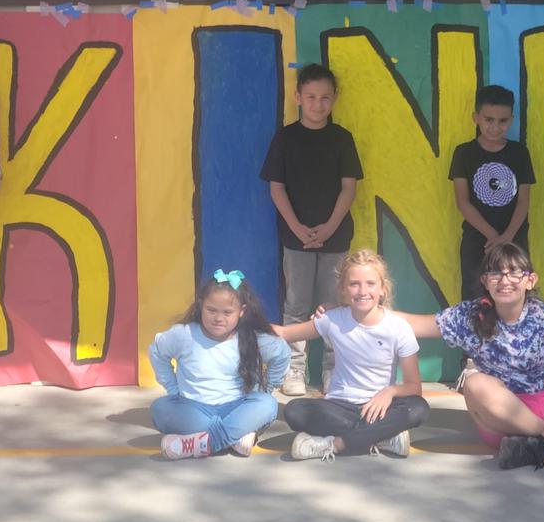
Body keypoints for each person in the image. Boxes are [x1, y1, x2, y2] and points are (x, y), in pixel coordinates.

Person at [402, 242, 544, 470]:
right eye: (496, 273)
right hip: (507, 417)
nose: (505, 280)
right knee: (474, 384)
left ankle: (542, 445)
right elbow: (414, 325)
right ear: (485, 281)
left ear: (530, 280)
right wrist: (369, 308)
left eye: (514, 272)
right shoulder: (469, 316)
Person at [259, 63, 363, 397]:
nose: (318, 104)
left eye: (325, 98)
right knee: (297, 304)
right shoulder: (285, 138)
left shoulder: (342, 139)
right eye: (311, 97)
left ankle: (333, 370)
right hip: (295, 238)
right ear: (298, 97)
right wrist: (298, 228)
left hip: (336, 238)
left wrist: (330, 227)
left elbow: (349, 187)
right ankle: (294, 370)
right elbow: (277, 188)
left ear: (335, 99)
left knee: (334, 305)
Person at [274, 249, 430, 460]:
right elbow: (286, 333)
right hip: (340, 406)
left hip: (380, 407)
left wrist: (390, 392)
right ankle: (382, 436)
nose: (362, 291)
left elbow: (414, 387)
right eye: (354, 284)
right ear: (343, 290)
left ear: (383, 289)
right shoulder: (332, 319)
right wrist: (242, 323)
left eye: (370, 284)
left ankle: (336, 443)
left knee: (418, 408)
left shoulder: (398, 328)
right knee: (294, 411)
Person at [147, 270, 290, 459]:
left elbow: (282, 352)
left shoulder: (250, 337)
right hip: (194, 409)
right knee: (160, 408)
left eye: (227, 312)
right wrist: (173, 389)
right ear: (200, 306)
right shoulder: (184, 335)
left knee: (267, 404)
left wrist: (267, 388)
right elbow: (157, 351)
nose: (218, 318)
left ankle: (201, 444)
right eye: (211, 310)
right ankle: (236, 436)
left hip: (237, 407)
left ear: (242, 312)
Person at [449, 84, 536, 305]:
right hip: (477, 242)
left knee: (515, 301)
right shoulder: (463, 153)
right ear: (476, 118)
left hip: (514, 242)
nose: (495, 127)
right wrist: (493, 237)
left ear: (511, 119)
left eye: (503, 121)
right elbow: (463, 202)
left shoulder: (519, 153)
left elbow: (524, 201)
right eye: (489, 120)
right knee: (476, 302)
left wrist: (506, 238)